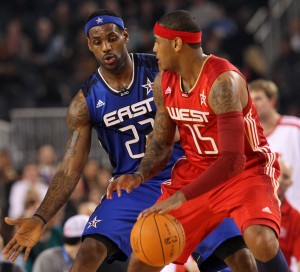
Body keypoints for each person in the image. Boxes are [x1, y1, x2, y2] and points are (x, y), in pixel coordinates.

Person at [2, 9, 255, 272]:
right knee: (89, 251)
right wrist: (41, 217)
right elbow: (69, 168)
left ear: (125, 36)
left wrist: (180, 129)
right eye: (97, 42)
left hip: (187, 172)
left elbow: (206, 105)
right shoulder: (84, 102)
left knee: (240, 258)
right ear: (89, 45)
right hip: (133, 184)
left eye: (112, 38)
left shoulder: (162, 67)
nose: (106, 47)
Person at [107, 10, 290, 272]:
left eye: (158, 42)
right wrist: (138, 175)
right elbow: (161, 143)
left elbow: (233, 160)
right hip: (196, 171)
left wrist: (182, 197)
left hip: (246, 171)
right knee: (143, 257)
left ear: (177, 44)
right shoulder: (163, 83)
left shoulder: (222, 82)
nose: (154, 49)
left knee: (260, 239)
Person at [248, 79, 300, 211]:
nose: (253, 103)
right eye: (250, 99)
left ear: (272, 100)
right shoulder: (247, 137)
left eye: (258, 98)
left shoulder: (294, 128)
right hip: (266, 212)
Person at [277, 160, 300, 271]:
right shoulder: (252, 206)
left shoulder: (295, 218)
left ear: (290, 183)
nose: (280, 179)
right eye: (278, 172)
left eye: (285, 176)